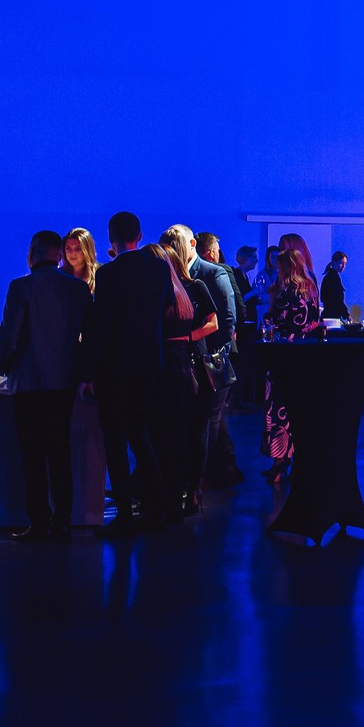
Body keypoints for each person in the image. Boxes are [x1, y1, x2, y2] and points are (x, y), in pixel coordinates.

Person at [85, 212, 177, 533]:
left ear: (111, 239)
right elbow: (167, 305)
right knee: (141, 436)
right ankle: (160, 506)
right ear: (139, 235)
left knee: (115, 441)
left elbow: (102, 326)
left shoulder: (108, 274)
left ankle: (124, 512)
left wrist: (88, 370)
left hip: (115, 367)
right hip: (150, 362)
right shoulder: (159, 268)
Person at [0, 229, 93, 540]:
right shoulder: (77, 289)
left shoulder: (20, 287)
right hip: (63, 380)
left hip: (28, 381)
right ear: (59, 254)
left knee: (32, 455)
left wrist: (3, 366)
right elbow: (89, 337)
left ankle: (39, 521)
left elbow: (9, 335)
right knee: (60, 451)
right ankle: (63, 520)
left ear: (32, 253)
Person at [151, 231, 219, 515]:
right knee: (173, 430)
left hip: (192, 361)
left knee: (195, 429)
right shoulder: (161, 289)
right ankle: (174, 489)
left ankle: (192, 489)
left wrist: (187, 337)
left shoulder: (195, 286)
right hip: (170, 364)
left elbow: (214, 323)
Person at [262, 236, 323, 484]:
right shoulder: (309, 289)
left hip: (283, 358)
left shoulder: (287, 293)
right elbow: (313, 323)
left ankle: (280, 460)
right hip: (304, 358)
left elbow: (277, 323)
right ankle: (294, 460)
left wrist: (270, 324)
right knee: (297, 410)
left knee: (279, 410)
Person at [189, 230, 245, 489]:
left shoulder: (217, 272)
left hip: (215, 354)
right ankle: (224, 467)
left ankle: (214, 469)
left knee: (214, 414)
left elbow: (231, 313)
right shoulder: (204, 271)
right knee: (215, 414)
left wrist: (221, 347)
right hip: (208, 352)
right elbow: (235, 311)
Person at [63, 226, 100, 293]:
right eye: (68, 248)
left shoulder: (100, 274)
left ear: (87, 250)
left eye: (78, 249)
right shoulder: (59, 276)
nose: (72, 253)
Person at [321, 250, 351, 322]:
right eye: (341, 263)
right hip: (331, 318)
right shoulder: (332, 278)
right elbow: (337, 300)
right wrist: (347, 316)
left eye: (345, 264)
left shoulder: (329, 277)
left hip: (329, 316)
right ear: (334, 262)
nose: (343, 266)